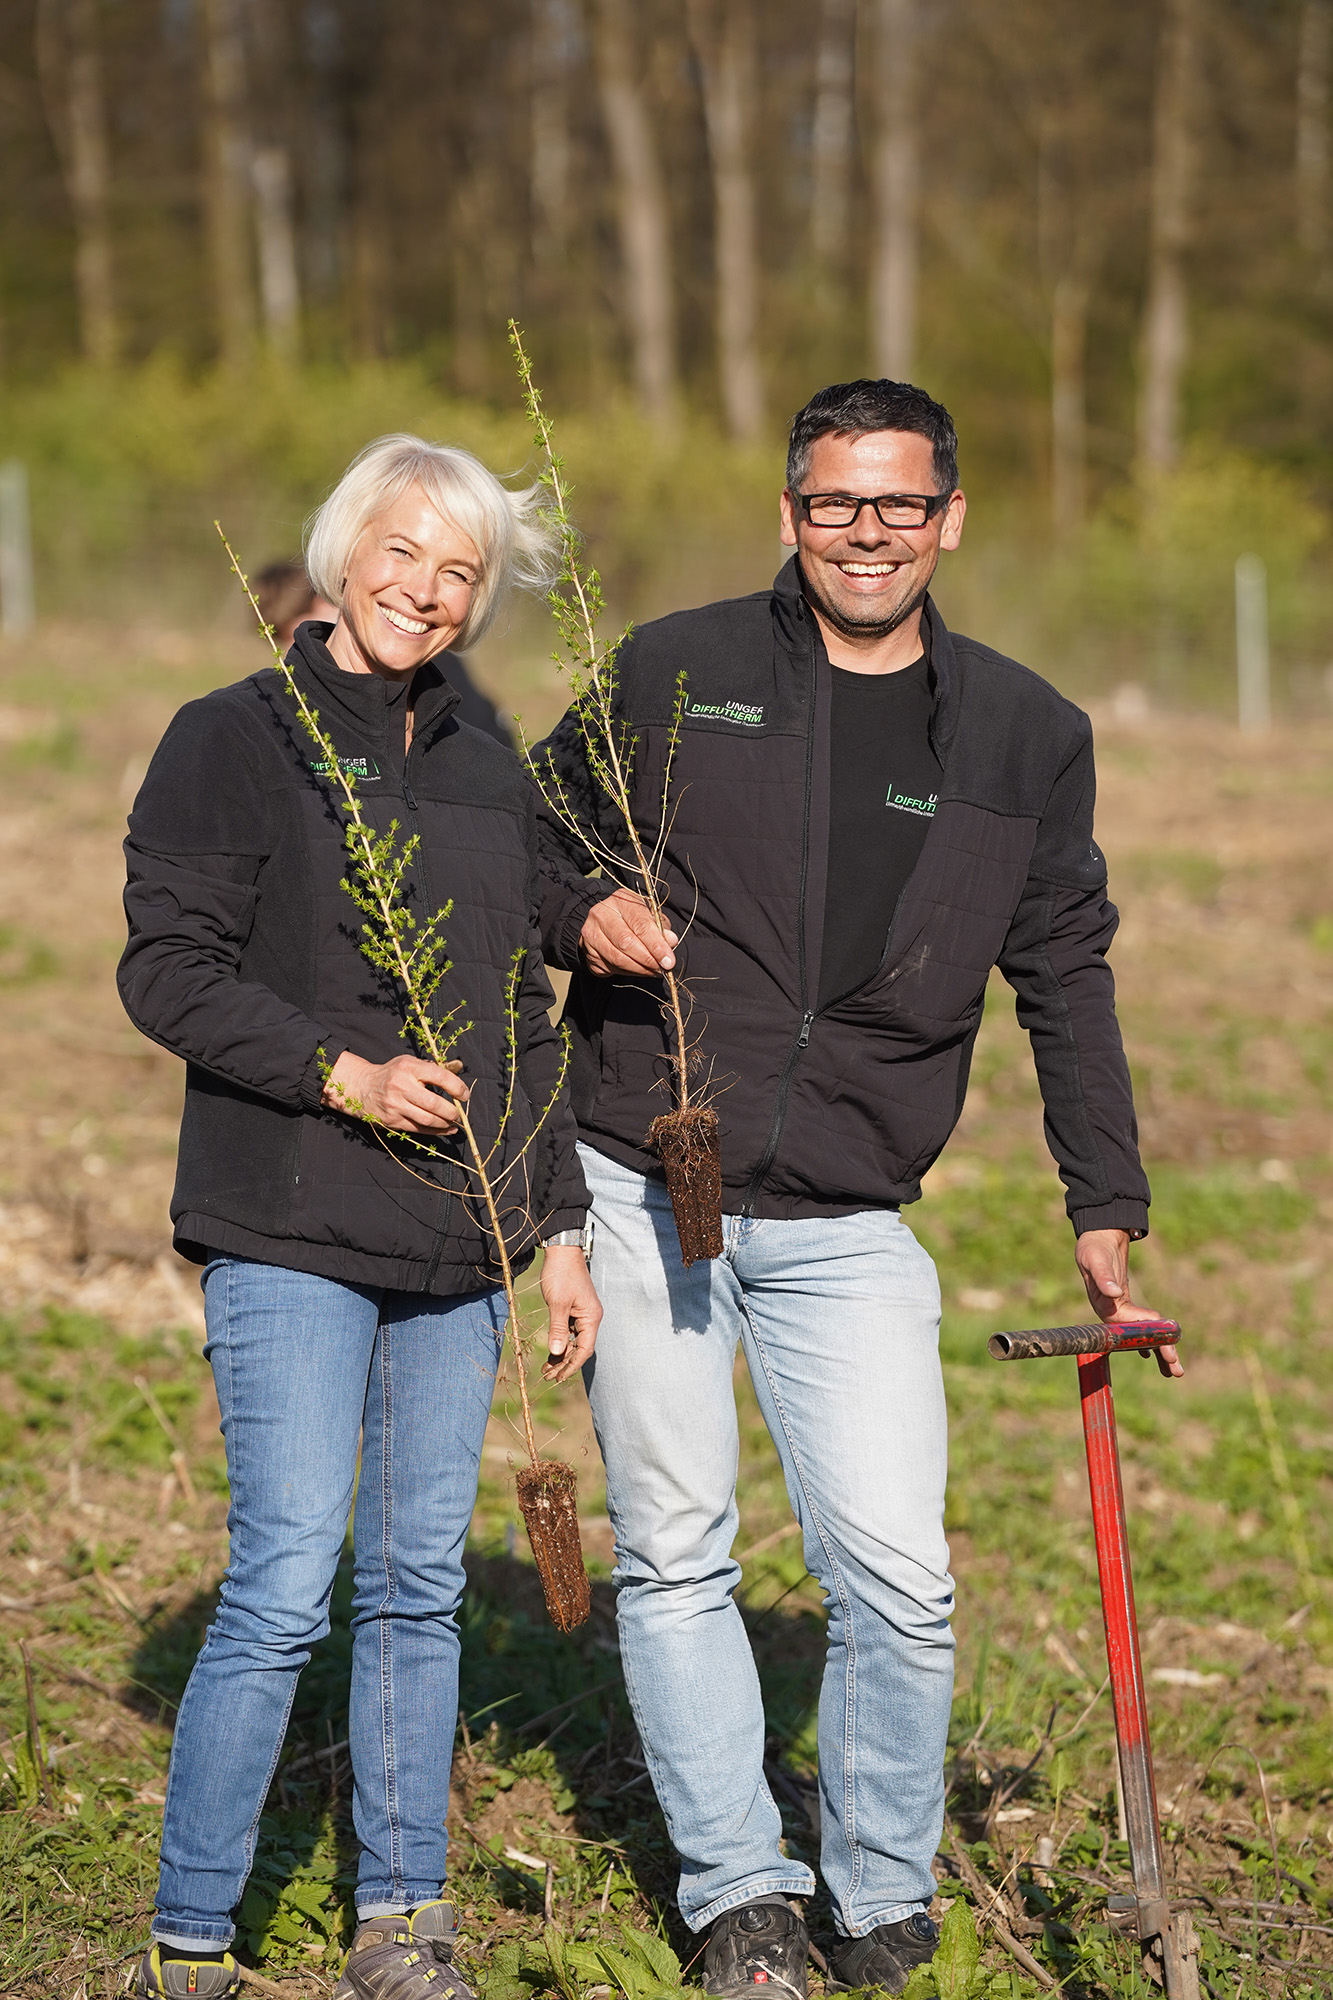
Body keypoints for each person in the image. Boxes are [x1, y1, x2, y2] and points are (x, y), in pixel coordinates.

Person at [532, 379, 1173, 1998]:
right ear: (788, 514)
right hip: (640, 1175)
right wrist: (583, 909)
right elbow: (528, 835)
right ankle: (737, 1896)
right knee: (675, 1551)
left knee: (898, 1578)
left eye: (897, 505)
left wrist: (1102, 1199)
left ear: (946, 519)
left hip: (848, 1219)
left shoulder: (1025, 733)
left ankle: (877, 1892)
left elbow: (1064, 973)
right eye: (833, 503)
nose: (865, 533)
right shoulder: (678, 671)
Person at [120, 434, 602, 2000]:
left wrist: (558, 1230)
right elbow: (170, 972)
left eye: (459, 572)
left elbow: (527, 1015)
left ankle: (401, 1924)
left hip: (454, 1243)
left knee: (413, 1588)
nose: (428, 591)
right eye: (404, 553)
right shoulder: (231, 737)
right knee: (285, 1577)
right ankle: (194, 1938)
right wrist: (343, 1073)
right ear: (341, 554)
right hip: (290, 1221)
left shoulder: (482, 758)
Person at [254, 557, 517, 747]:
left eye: (291, 634)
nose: (288, 651)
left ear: (321, 600)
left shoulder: (423, 659)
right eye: (277, 643)